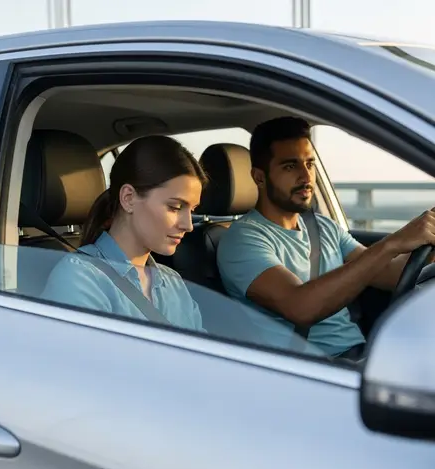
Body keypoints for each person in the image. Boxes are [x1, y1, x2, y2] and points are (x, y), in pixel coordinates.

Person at [217, 117, 435, 360]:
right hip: (310, 369)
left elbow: (389, 274)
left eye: (309, 164)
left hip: (359, 356)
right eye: (290, 166)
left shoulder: (323, 226)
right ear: (259, 177)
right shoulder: (242, 240)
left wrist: (428, 241)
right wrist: (392, 243)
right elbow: (300, 307)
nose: (306, 177)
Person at [42, 135, 208, 331]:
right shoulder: (79, 277)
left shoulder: (173, 282)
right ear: (128, 198)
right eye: (175, 207)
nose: (188, 225)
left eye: (193, 210)